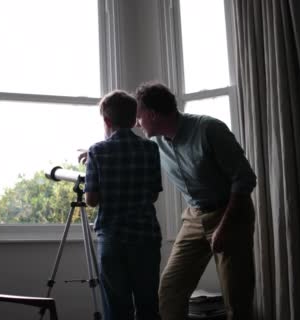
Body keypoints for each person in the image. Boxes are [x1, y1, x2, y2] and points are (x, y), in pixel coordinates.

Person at [133, 82, 257, 320]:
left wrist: (226, 225)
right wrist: (96, 152)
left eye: (139, 118)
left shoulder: (209, 129)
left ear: (152, 114)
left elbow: (244, 179)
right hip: (194, 217)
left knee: (237, 298)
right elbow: (126, 144)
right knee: (169, 291)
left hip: (230, 213)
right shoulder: (155, 142)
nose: (137, 124)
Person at [83, 90, 164, 320]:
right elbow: (153, 194)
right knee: (148, 303)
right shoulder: (150, 149)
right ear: (133, 119)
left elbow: (91, 200)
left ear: (107, 121)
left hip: (113, 238)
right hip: (146, 236)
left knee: (117, 306)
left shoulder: (96, 151)